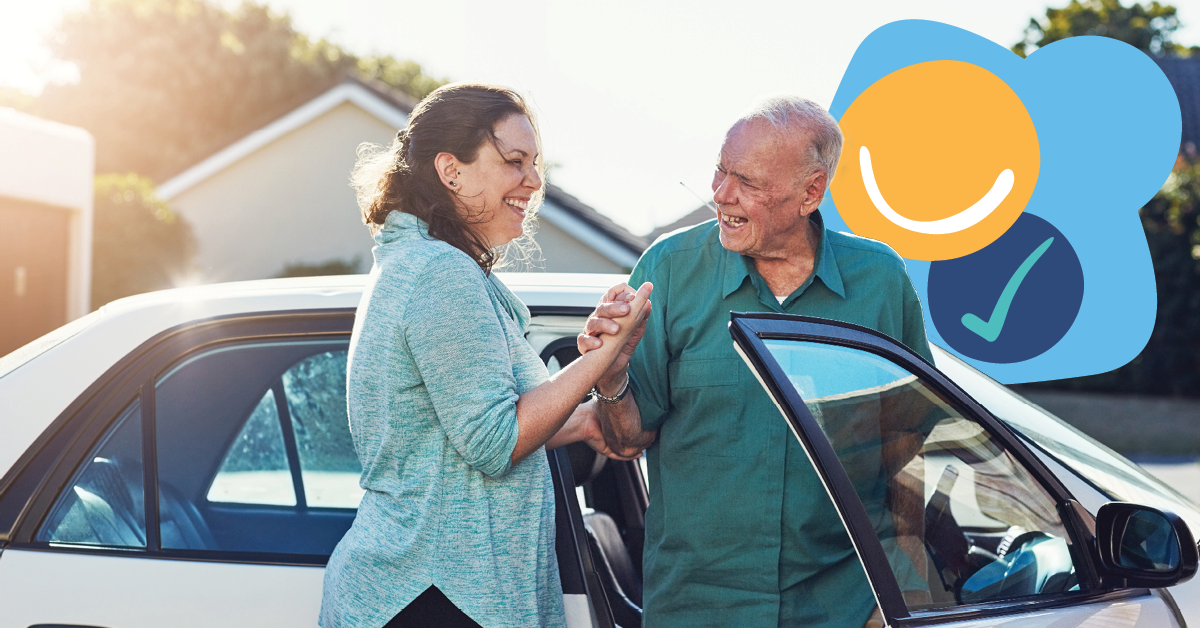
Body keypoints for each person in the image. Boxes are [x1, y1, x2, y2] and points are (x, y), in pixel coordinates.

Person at [580, 97, 934, 627]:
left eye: (745, 180)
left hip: (844, 605)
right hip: (697, 608)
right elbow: (628, 439)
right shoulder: (668, 270)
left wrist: (903, 585)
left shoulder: (880, 280)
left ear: (811, 192)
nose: (721, 195)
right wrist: (609, 376)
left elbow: (907, 445)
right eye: (720, 171)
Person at [319, 83, 651, 628]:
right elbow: (494, 441)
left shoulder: (423, 264)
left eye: (534, 163)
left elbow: (458, 430)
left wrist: (586, 419)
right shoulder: (438, 273)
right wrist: (602, 358)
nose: (535, 181)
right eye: (514, 161)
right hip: (432, 595)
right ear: (450, 171)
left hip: (423, 590)